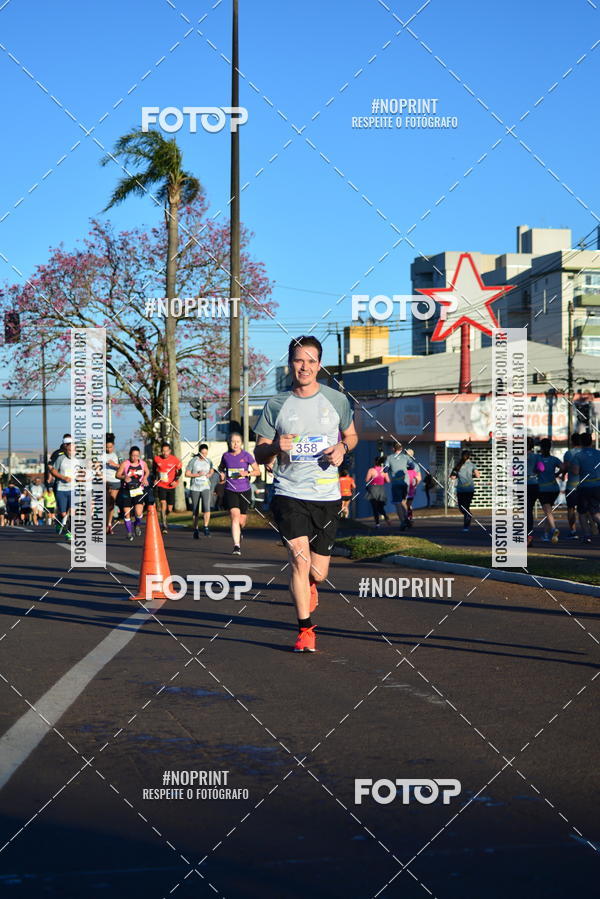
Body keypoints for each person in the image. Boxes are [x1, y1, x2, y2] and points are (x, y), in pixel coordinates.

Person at [254, 335, 358, 653]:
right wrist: (274, 446)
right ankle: (305, 630)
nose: (305, 366)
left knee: (319, 572)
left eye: (311, 360)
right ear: (290, 364)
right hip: (289, 492)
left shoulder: (336, 401)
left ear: (319, 365)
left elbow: (352, 436)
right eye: (300, 360)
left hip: (326, 496)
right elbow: (258, 454)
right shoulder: (276, 404)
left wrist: (342, 447)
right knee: (299, 560)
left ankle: (311, 585)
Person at [219, 433, 260, 555]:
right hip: (230, 490)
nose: (235, 444)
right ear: (229, 443)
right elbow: (221, 470)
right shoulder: (225, 456)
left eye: (237, 441)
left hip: (245, 490)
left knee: (242, 520)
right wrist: (221, 476)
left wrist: (246, 473)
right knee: (234, 516)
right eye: (233, 441)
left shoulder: (247, 456)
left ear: (241, 443)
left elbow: (257, 471)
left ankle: (239, 531)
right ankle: (236, 546)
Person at [116, 447, 150, 541]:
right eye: (133, 455)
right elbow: (117, 474)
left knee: (138, 512)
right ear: (130, 455)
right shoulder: (125, 464)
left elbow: (147, 471)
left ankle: (137, 524)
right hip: (126, 490)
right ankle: (129, 533)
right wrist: (124, 477)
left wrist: (145, 478)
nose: (135, 458)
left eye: (137, 455)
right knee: (127, 513)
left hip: (138, 490)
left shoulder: (143, 463)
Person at [572, 431, 600, 544]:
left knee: (582, 512)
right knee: (595, 511)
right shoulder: (598, 454)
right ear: (592, 442)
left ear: (581, 442)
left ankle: (587, 536)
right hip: (597, 486)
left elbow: (575, 471)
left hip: (584, 486)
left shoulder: (578, 455)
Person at [537, 438, 564, 543]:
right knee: (548, 512)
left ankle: (553, 529)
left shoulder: (537, 459)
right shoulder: (554, 459)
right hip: (554, 488)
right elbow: (563, 467)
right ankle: (546, 535)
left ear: (541, 448)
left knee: (547, 511)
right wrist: (557, 474)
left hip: (543, 488)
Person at [186, 443, 215, 538]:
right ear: (199, 452)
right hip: (195, 487)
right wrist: (197, 475)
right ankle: (196, 529)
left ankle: (206, 527)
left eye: (206, 453)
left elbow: (212, 470)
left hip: (206, 487)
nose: (204, 455)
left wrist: (209, 475)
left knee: (207, 508)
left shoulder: (209, 461)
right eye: (202, 453)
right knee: (195, 510)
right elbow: (187, 474)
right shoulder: (193, 461)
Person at [153, 441, 181, 534]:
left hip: (171, 486)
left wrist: (175, 480)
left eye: (166, 451)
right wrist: (155, 479)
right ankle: (164, 525)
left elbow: (179, 472)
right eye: (163, 451)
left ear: (170, 451)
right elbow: (154, 471)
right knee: (163, 504)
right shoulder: (157, 459)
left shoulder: (175, 460)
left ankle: (165, 516)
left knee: (169, 508)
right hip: (161, 485)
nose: (165, 453)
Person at [49, 439, 75, 540]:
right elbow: (52, 470)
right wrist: (63, 477)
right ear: (66, 449)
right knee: (63, 513)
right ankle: (61, 522)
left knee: (72, 511)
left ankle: (70, 532)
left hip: (74, 489)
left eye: (73, 450)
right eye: (69, 450)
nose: (71, 452)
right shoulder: (61, 458)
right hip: (61, 489)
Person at [384, 441, 413, 530]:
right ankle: (407, 518)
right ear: (401, 448)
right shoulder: (406, 457)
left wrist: (389, 468)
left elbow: (385, 469)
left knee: (397, 503)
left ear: (393, 449)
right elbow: (412, 467)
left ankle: (403, 522)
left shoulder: (389, 458)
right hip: (405, 482)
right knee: (403, 501)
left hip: (396, 483)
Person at [450, 450, 480, 532]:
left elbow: (452, 477)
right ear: (469, 456)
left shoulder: (460, 465)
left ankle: (466, 526)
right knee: (465, 507)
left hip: (463, 490)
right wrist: (471, 475)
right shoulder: (470, 465)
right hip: (468, 489)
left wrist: (456, 475)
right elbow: (478, 476)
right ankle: (468, 516)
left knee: (462, 507)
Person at [526, 437, 544, 546]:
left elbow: (512, 472)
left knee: (526, 511)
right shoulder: (537, 456)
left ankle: (527, 536)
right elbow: (542, 469)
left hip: (522, 484)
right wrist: (535, 471)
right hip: (534, 484)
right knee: (530, 510)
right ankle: (529, 536)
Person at [563, 432, 582, 539]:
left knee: (571, 509)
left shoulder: (569, 453)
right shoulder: (584, 453)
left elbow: (565, 467)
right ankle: (587, 532)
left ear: (572, 442)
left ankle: (573, 531)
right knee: (585, 509)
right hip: (585, 485)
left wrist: (561, 474)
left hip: (571, 485)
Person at [104, 433, 122, 534]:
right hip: (104, 481)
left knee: (111, 503)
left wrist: (115, 465)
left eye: (110, 447)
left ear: (113, 446)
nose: (108, 449)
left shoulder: (118, 454)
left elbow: (125, 467)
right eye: (106, 447)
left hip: (115, 481)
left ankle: (109, 525)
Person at [365, 456, 390, 526]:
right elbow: (388, 480)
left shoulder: (371, 470)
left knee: (374, 507)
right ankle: (385, 516)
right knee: (380, 506)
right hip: (381, 489)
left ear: (375, 462)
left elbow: (367, 480)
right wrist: (382, 480)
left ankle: (377, 523)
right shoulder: (384, 470)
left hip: (373, 489)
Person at [405, 448, 422, 526]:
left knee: (404, 503)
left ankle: (406, 518)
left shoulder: (402, 464)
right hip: (412, 487)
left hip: (404, 487)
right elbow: (419, 478)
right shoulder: (415, 465)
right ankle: (409, 517)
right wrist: (415, 485)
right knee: (409, 504)